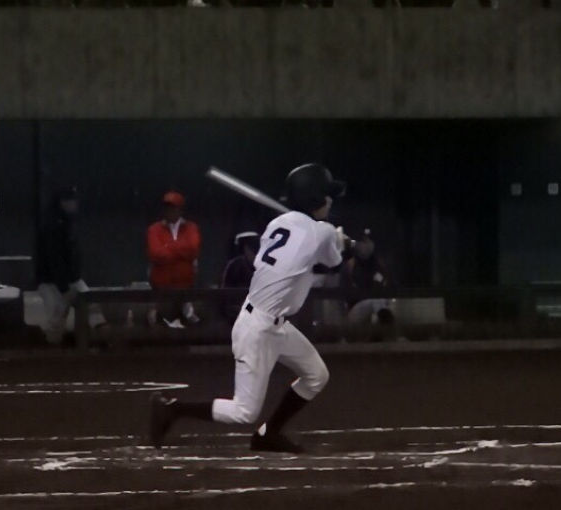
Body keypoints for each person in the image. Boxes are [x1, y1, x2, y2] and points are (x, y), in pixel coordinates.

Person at [149, 163, 352, 453]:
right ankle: (172, 409)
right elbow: (333, 265)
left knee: (316, 375)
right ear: (314, 198)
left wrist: (334, 242)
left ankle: (268, 434)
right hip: (258, 329)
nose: (330, 200)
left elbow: (301, 263)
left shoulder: (278, 224)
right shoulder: (323, 232)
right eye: (326, 195)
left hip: (275, 324)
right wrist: (342, 242)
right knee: (243, 412)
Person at [36, 186, 108, 346]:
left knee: (89, 306)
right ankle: (53, 349)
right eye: (72, 201)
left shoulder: (63, 222)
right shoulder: (53, 226)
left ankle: (103, 339)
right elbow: (54, 259)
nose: (75, 204)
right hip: (52, 282)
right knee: (57, 317)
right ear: (63, 202)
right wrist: (64, 288)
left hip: (68, 279)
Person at [146, 191, 201, 329]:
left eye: (173, 207)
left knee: (191, 330)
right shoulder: (154, 229)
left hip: (185, 290)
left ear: (180, 209)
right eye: (167, 207)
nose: (169, 210)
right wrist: (181, 251)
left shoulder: (191, 228)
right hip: (161, 291)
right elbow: (156, 253)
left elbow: (192, 249)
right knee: (158, 329)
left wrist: (167, 247)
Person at [345, 230, 395, 328]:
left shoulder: (377, 263)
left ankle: (386, 329)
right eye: (363, 241)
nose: (366, 245)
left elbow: (387, 284)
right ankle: (389, 330)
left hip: (374, 307)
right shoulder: (351, 264)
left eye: (368, 241)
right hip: (354, 310)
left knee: (380, 301)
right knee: (376, 301)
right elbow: (348, 291)